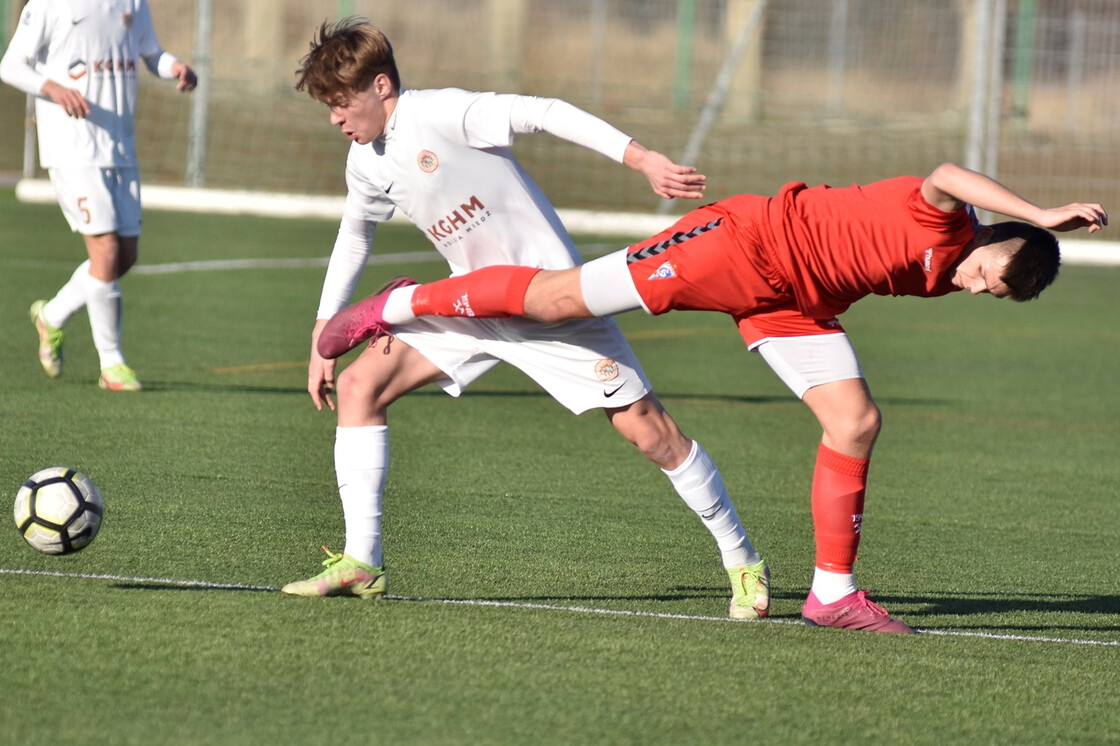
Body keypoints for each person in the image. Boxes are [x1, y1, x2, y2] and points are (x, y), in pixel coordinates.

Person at [321, 162, 1108, 633]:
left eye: (989, 294)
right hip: (736, 243)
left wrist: (1014, 251)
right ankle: (399, 304)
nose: (974, 285)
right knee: (563, 302)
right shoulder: (944, 223)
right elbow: (943, 173)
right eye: (986, 272)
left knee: (856, 420)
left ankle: (831, 592)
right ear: (991, 237)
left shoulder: (956, 270)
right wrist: (1040, 213)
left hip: (790, 303)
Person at [280, 18, 772, 622]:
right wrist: (322, 332)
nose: (335, 117)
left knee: (653, 436)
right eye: (328, 106)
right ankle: (362, 562)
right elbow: (354, 234)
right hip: (472, 307)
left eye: (341, 102)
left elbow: (546, 111)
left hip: (553, 304)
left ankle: (742, 557)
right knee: (360, 385)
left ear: (380, 86)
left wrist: (640, 157)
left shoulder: (444, 113)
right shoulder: (367, 162)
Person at [1, 0, 197, 391]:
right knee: (106, 251)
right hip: (71, 146)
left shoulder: (133, 3)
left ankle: (52, 316)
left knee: (125, 255)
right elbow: (10, 66)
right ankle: (112, 365)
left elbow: (150, 53)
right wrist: (53, 87)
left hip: (119, 145)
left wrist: (173, 65)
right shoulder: (49, 5)